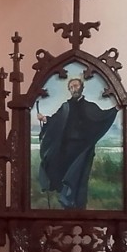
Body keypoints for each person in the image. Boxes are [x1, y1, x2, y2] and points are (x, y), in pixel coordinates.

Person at [36, 77, 118, 209]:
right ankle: (67, 204)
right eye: (71, 87)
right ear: (69, 90)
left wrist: (115, 109)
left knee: (80, 178)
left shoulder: (90, 107)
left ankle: (80, 206)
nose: (74, 89)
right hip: (66, 149)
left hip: (83, 150)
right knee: (65, 175)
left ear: (82, 88)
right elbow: (56, 121)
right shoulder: (65, 107)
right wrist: (45, 118)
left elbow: (102, 117)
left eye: (76, 86)